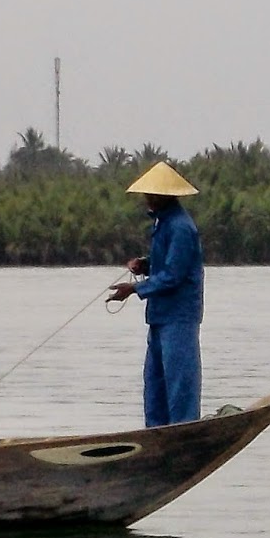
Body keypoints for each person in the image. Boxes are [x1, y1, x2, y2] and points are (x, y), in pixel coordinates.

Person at [108, 161, 204, 427]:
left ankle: (183, 432)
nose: (146, 199)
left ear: (164, 195)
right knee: (155, 385)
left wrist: (134, 289)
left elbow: (174, 274)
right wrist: (145, 264)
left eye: (151, 194)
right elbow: (165, 263)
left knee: (179, 385)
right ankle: (157, 435)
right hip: (160, 317)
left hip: (179, 317)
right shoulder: (164, 223)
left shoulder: (181, 227)